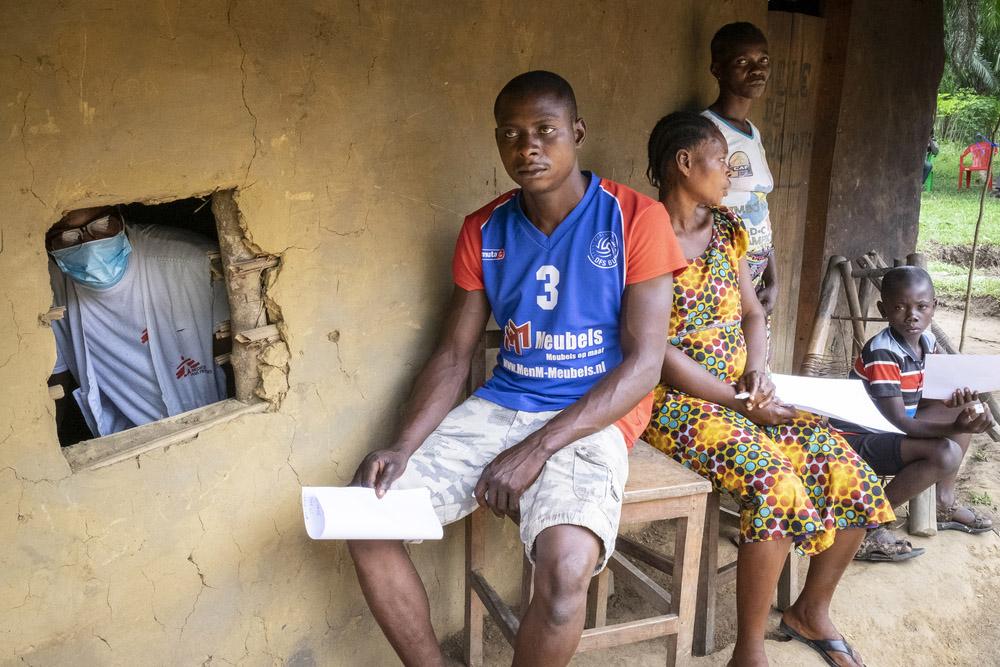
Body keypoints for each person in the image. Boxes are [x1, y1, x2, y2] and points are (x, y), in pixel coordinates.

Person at [345, 71, 684, 666]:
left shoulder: (635, 217)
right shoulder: (484, 228)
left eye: (545, 131)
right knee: (364, 514)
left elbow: (644, 365)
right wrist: (402, 445)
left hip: (593, 418)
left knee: (564, 577)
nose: (527, 147)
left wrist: (536, 449)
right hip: (503, 404)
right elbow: (453, 354)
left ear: (577, 133)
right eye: (510, 134)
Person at [643, 111, 894, 667]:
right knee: (776, 485)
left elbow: (753, 313)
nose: (732, 175)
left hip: (747, 396)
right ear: (684, 164)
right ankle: (748, 652)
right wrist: (739, 403)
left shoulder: (729, 229)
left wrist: (758, 374)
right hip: (676, 404)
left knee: (848, 468)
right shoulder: (641, 235)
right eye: (722, 164)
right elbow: (657, 351)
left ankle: (810, 610)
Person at [832, 266, 994, 561]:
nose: (912, 315)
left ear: (934, 307)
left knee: (964, 410)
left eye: (921, 306)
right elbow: (900, 421)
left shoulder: (927, 343)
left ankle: (942, 504)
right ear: (883, 310)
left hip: (889, 427)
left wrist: (957, 400)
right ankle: (870, 522)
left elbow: (935, 396)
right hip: (855, 439)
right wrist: (953, 427)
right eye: (899, 307)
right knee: (945, 453)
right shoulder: (883, 352)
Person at [47, 206, 229, 441]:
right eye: (67, 236)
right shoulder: (48, 288)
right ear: (50, 245)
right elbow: (54, 376)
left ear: (121, 216)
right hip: (127, 441)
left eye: (101, 225)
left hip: (214, 426)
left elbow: (231, 353)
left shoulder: (190, 262)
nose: (90, 244)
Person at [702, 22, 778, 316]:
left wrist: (773, 277)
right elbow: (699, 207)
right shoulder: (707, 132)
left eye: (763, 60)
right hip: (724, 269)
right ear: (717, 70)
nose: (757, 70)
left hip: (757, 272)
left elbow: (760, 206)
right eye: (742, 62)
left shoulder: (752, 133)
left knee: (757, 356)